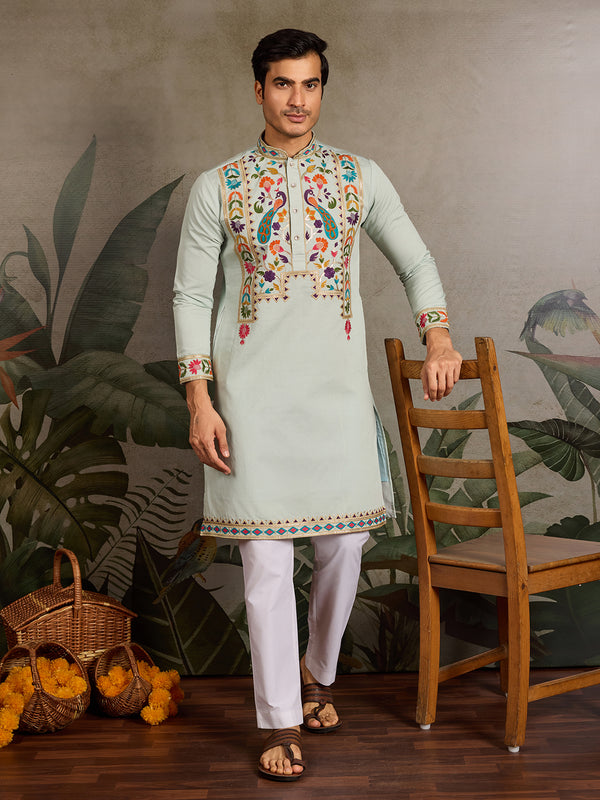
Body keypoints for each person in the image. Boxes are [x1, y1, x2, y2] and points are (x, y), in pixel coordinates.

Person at [173, 28, 462, 782]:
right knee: (265, 568)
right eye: (281, 84)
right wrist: (200, 400)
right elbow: (191, 294)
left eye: (309, 85)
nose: (296, 99)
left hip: (335, 402)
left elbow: (417, 258)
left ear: (321, 91)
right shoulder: (220, 186)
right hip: (250, 407)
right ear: (258, 89)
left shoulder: (358, 178)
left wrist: (438, 339)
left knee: (344, 550)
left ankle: (313, 672)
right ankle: (277, 721)